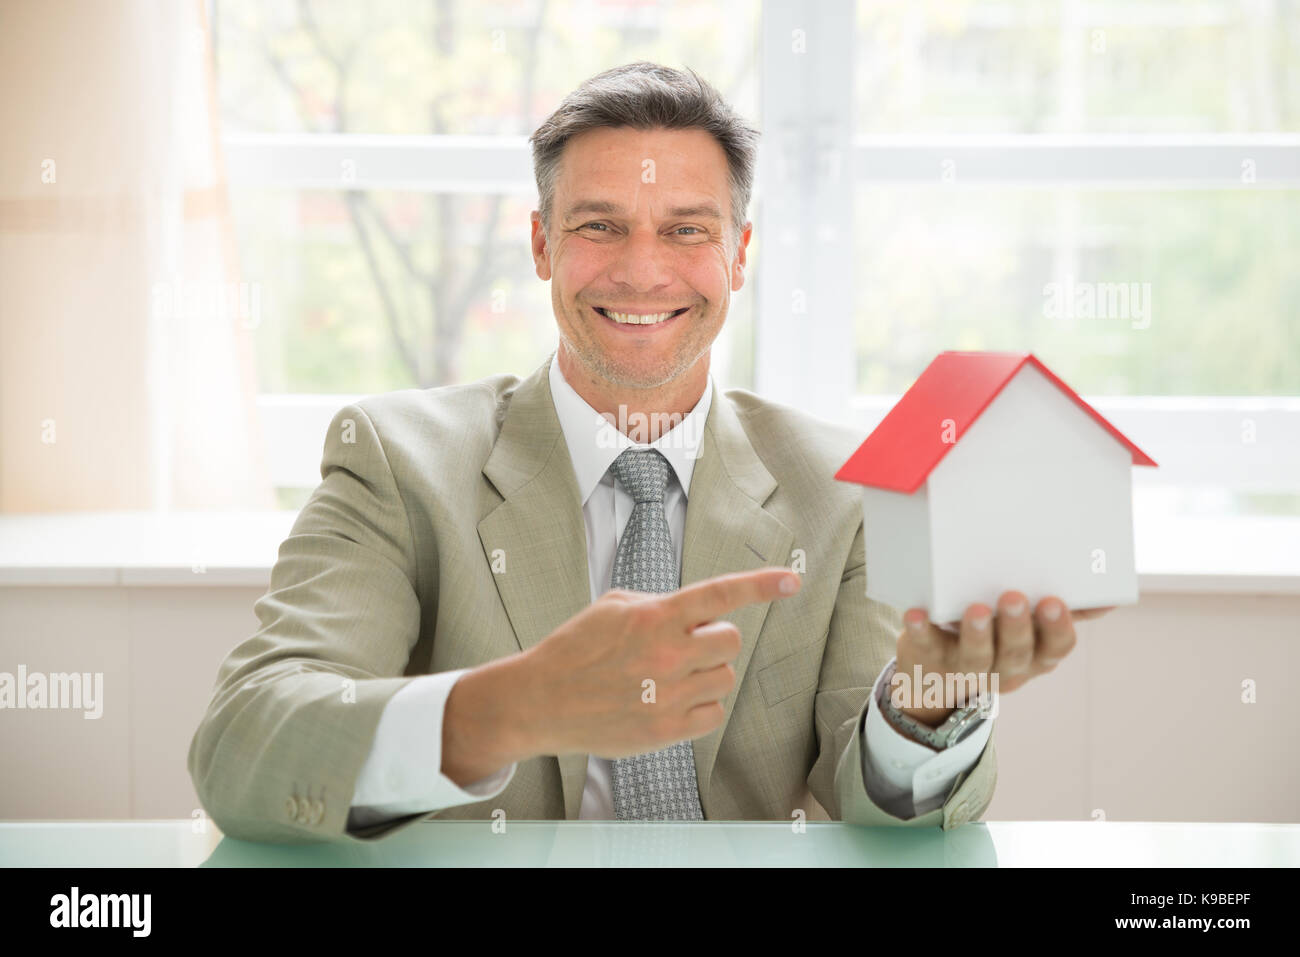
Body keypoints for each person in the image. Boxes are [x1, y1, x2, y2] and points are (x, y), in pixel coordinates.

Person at [189, 62, 1100, 844]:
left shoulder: (843, 492)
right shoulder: (396, 461)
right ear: (542, 243)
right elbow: (242, 747)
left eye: (686, 229)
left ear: (738, 255)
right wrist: (514, 704)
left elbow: (876, 813)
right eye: (598, 224)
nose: (641, 269)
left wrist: (928, 703)